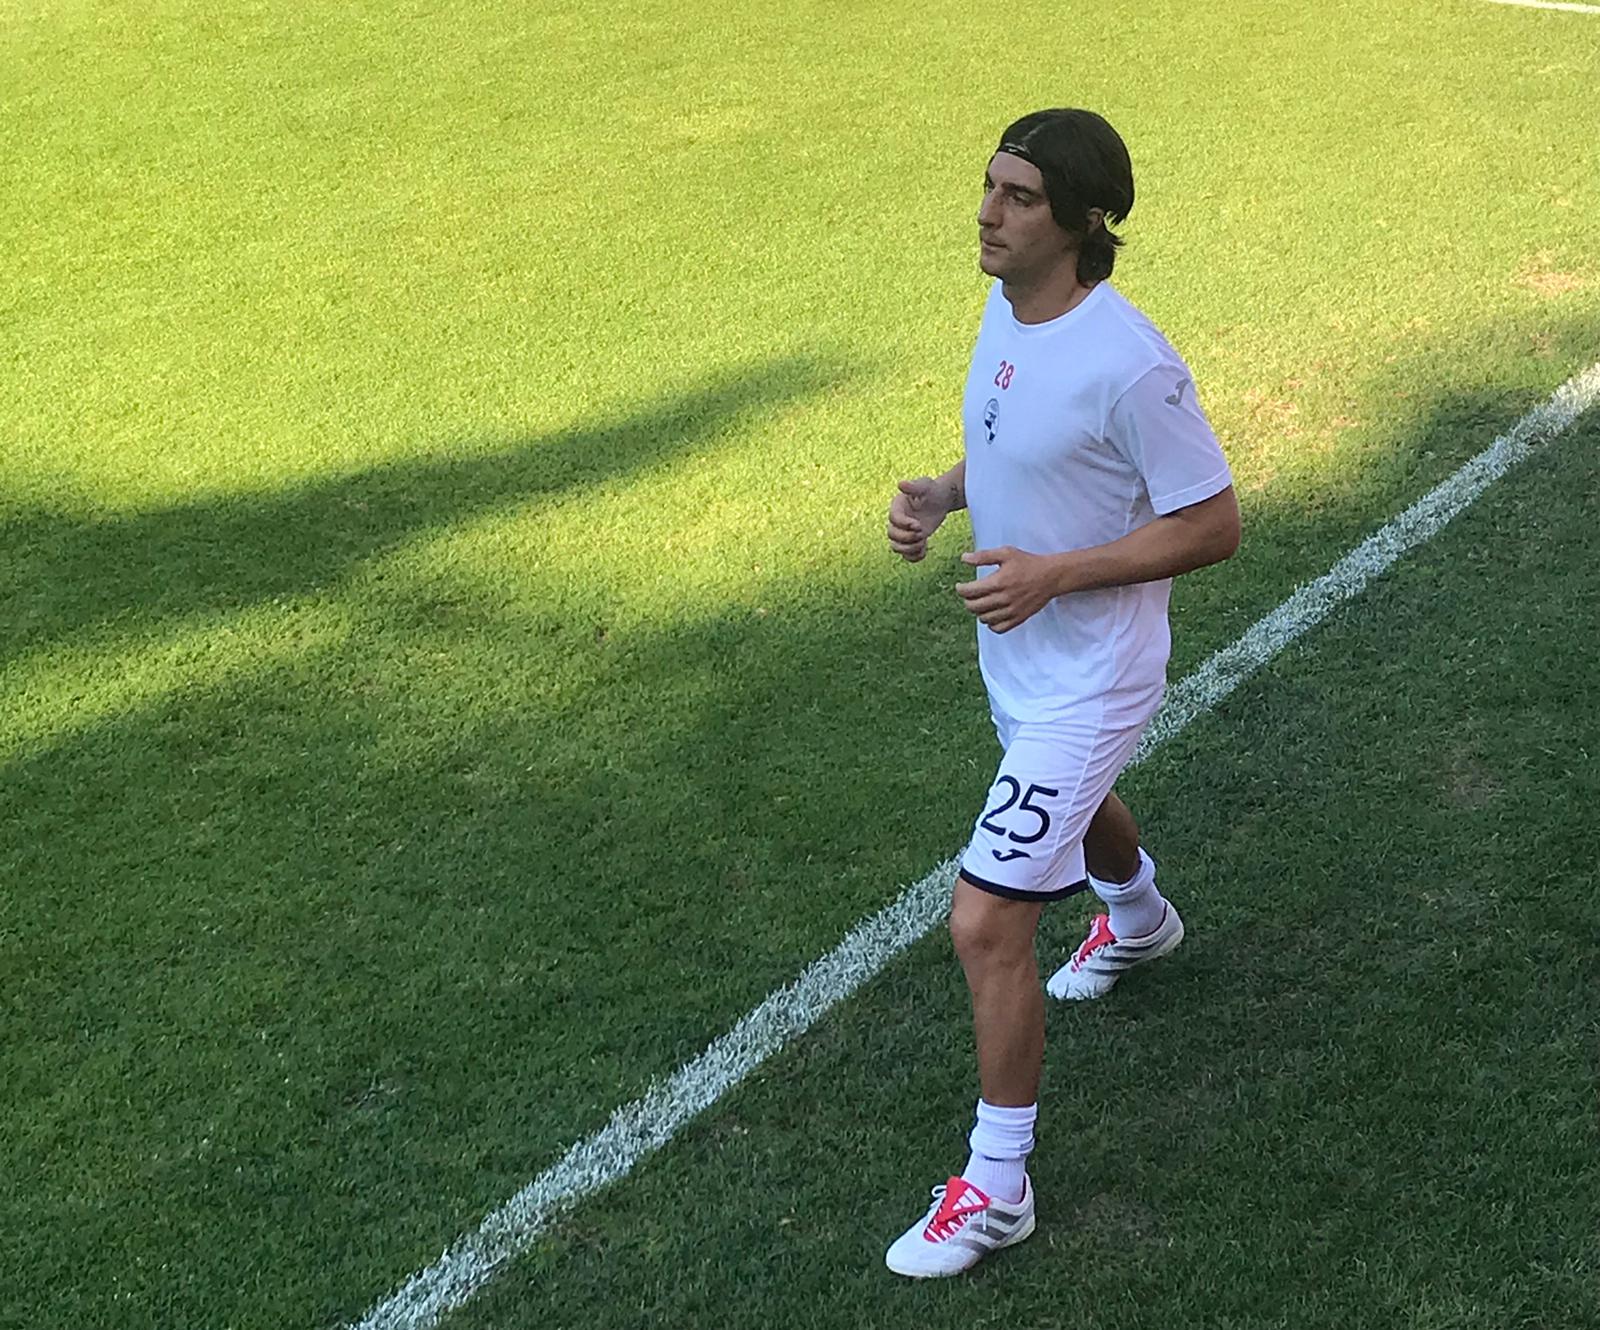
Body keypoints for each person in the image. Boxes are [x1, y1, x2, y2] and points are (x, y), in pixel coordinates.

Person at [881, 108, 1241, 1278]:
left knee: (986, 922)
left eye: (1019, 196)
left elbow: (1213, 523)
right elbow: (1014, 437)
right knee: (1075, 808)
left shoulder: (1130, 364)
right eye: (988, 185)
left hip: (1093, 670)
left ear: (1084, 220)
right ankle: (1139, 918)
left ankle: (997, 1188)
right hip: (1023, 657)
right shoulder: (1007, 304)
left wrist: (1056, 574)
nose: (987, 213)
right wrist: (946, 492)